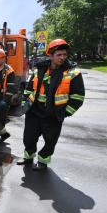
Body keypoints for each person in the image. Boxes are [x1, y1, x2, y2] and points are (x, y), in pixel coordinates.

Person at [18, 39, 85, 170]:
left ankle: (43, 161)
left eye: (64, 54)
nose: (63, 57)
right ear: (50, 55)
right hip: (34, 111)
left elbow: (78, 97)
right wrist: (25, 104)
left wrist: (64, 113)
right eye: (59, 55)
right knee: (29, 138)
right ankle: (28, 157)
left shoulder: (73, 73)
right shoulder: (39, 70)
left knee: (50, 141)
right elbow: (28, 89)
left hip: (53, 113)